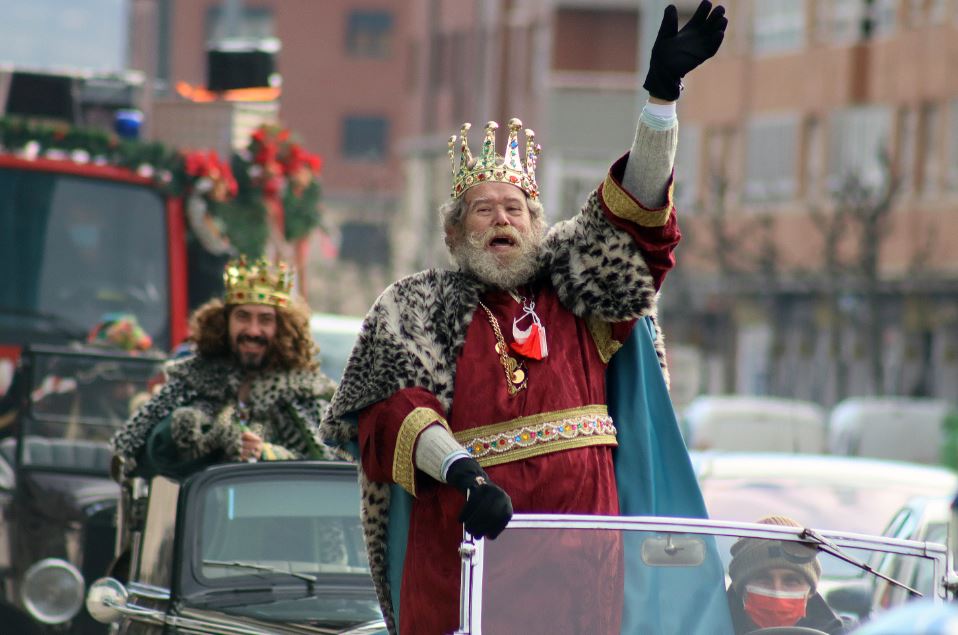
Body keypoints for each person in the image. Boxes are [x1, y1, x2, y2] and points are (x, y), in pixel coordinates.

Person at [320, 2, 728, 633]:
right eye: (482, 211)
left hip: (583, 577)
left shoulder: (578, 288)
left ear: (538, 226)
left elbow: (637, 215)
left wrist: (661, 101)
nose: (502, 220)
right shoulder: (414, 306)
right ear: (455, 234)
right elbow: (391, 415)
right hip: (469, 562)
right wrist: (463, 473)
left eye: (514, 208)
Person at [110, 256, 336, 481]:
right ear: (224, 322)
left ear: (284, 328)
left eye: (265, 320)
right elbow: (138, 458)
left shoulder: (306, 391)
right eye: (243, 317)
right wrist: (198, 435)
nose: (253, 331)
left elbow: (328, 472)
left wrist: (268, 454)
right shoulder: (192, 379)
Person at [727, 516, 847, 634]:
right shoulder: (712, 626)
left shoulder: (837, 632)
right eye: (763, 578)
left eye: (791, 581)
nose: (777, 592)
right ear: (741, 587)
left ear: (810, 591)